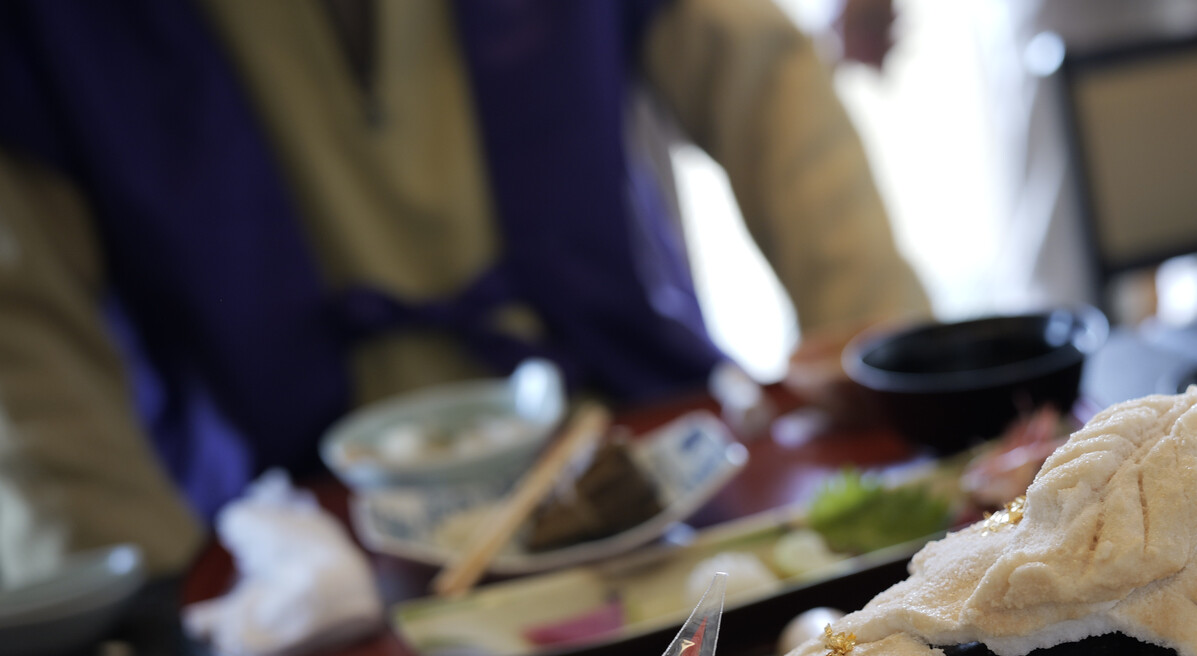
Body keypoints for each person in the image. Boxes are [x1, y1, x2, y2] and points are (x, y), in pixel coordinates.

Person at [0, 0, 929, 580]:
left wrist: (897, 381)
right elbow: (25, 319)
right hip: (288, 536)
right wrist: (144, 589)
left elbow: (757, 71)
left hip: (624, 458)